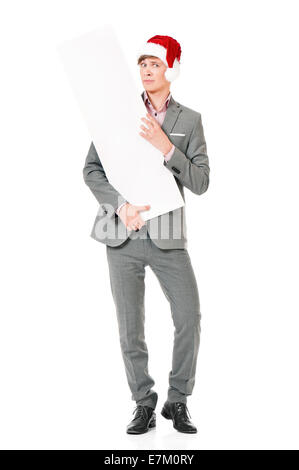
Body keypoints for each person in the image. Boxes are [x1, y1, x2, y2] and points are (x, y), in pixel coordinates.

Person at [83, 35, 210, 434]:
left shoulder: (189, 121)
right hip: (122, 232)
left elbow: (202, 181)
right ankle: (143, 402)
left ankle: (178, 400)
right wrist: (120, 204)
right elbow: (91, 169)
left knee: (189, 315)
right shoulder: (115, 114)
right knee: (129, 326)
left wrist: (167, 149)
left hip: (168, 235)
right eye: (142, 64)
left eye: (155, 63)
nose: (147, 70)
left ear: (170, 68)